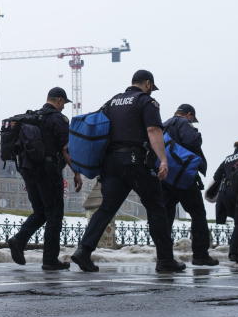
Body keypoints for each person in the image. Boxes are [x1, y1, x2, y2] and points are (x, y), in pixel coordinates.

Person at [70, 70, 186, 273]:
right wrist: (163, 160)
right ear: (148, 84)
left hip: (111, 163)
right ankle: (165, 259)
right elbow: (153, 131)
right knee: (156, 207)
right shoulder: (147, 102)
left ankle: (83, 251)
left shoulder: (112, 101)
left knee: (106, 208)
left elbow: (97, 127)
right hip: (136, 161)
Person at [6, 87, 83, 270]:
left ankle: (19, 240)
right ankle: (49, 260)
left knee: (40, 212)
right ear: (57, 100)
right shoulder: (57, 119)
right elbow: (66, 149)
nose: (63, 107)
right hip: (48, 172)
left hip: (28, 170)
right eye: (63, 103)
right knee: (55, 214)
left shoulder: (32, 117)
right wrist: (76, 172)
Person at [161, 104, 217, 266]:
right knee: (198, 213)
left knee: (166, 217)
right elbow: (192, 141)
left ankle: (165, 257)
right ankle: (200, 255)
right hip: (183, 176)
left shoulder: (163, 125)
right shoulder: (183, 123)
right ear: (189, 115)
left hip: (165, 177)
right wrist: (196, 133)